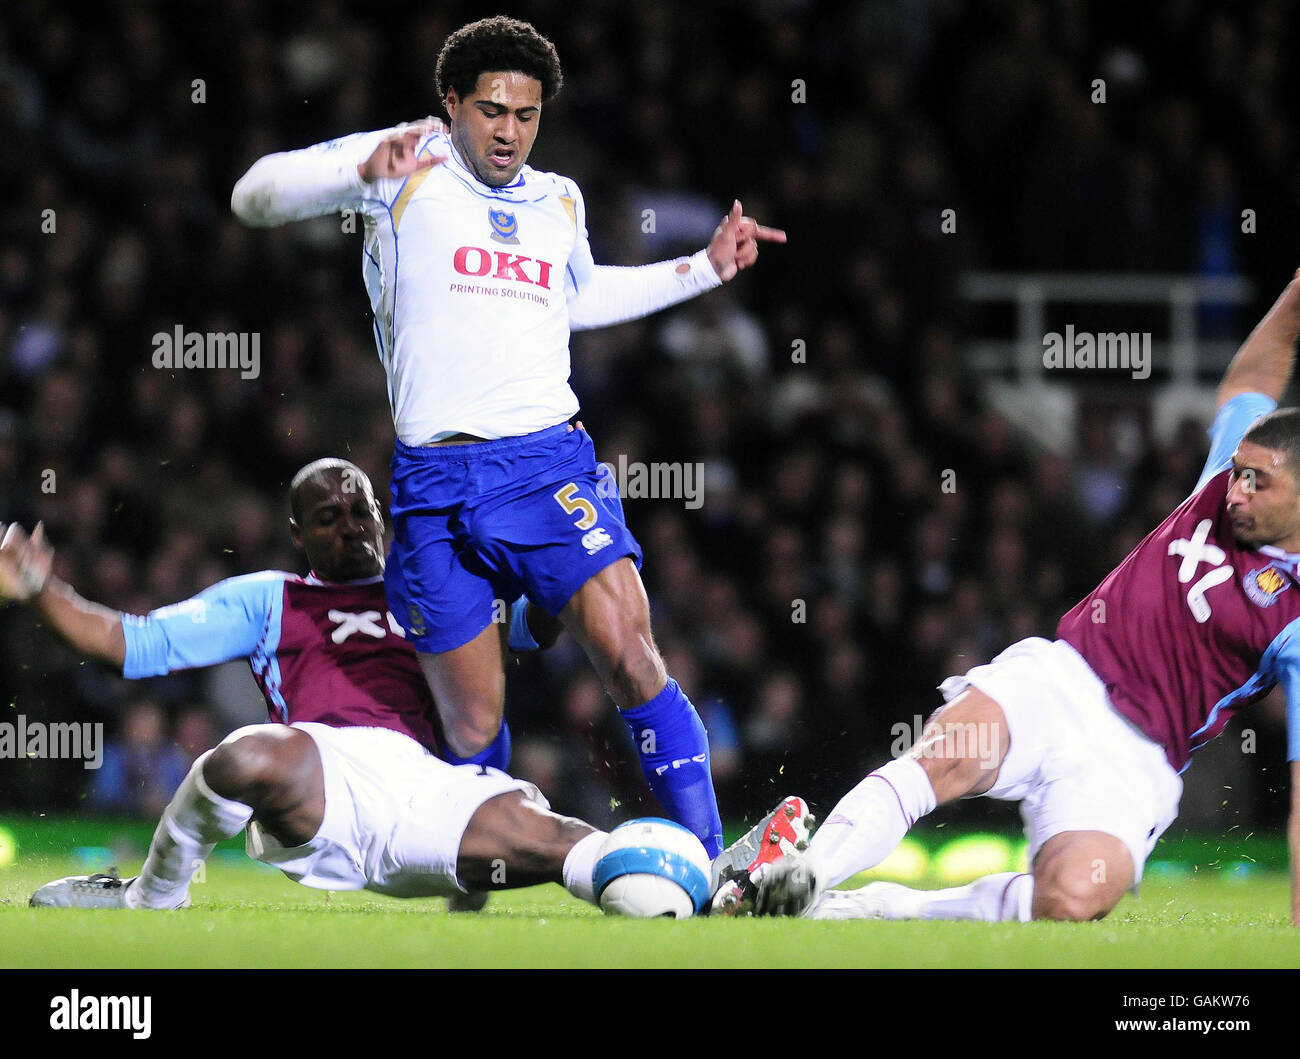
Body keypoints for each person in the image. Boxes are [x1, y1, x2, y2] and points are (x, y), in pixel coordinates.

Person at [229, 16, 786, 859]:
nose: (509, 132)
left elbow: (582, 300)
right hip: (431, 480)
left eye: (526, 116)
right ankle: (483, 882)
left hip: (545, 463)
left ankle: (713, 862)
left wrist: (703, 268)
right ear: (451, 103)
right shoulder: (402, 166)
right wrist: (356, 168)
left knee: (633, 654)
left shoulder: (559, 198)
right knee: (474, 726)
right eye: (491, 110)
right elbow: (253, 194)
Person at [753, 272, 1300, 924]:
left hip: (1138, 760)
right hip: (1062, 678)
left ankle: (846, 911)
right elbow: (1250, 381)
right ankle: (802, 874)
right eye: (1236, 473)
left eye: (1256, 483)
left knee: (1069, 899)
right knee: (947, 751)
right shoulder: (1223, 474)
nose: (1234, 490)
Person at [2, 459, 636, 912]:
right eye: (329, 517)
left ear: (383, 519)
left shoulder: (435, 591)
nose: (351, 526)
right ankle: (152, 896)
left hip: (435, 793)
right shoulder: (268, 598)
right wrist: (39, 590)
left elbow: (538, 626)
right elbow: (132, 646)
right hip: (323, 776)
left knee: (578, 846)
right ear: (298, 536)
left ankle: (708, 890)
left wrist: (569, 562)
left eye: (361, 511)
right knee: (248, 752)